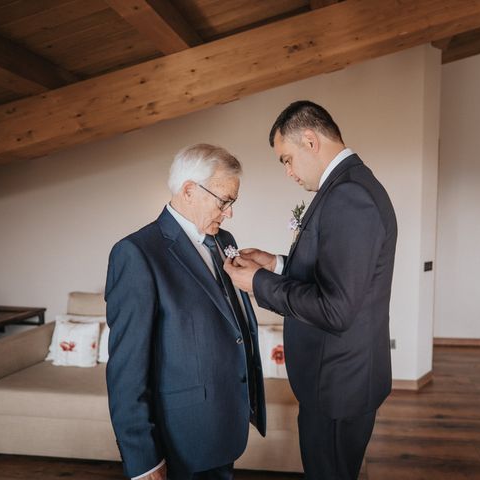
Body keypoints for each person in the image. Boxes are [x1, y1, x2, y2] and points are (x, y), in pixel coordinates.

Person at [224, 101, 397, 479]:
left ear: (309, 139)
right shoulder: (348, 186)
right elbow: (337, 275)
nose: (288, 171)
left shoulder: (349, 196)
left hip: (337, 384)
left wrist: (256, 282)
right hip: (339, 378)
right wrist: (276, 264)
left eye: (286, 159)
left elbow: (336, 309)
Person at [105, 144, 266, 480]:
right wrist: (143, 458)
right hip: (181, 436)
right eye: (224, 201)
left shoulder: (224, 239)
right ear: (190, 190)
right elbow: (126, 370)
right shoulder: (136, 254)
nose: (229, 213)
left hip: (224, 425)